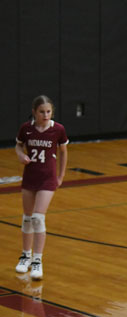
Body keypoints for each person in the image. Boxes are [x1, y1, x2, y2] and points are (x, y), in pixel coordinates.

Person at [14, 95, 69, 280]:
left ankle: (37, 260)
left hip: (47, 179)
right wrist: (20, 155)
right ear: (34, 112)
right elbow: (18, 146)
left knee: (38, 218)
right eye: (42, 112)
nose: (45, 115)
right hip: (30, 177)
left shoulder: (58, 129)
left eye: (48, 112)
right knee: (27, 219)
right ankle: (25, 256)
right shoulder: (26, 129)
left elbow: (64, 153)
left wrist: (60, 176)